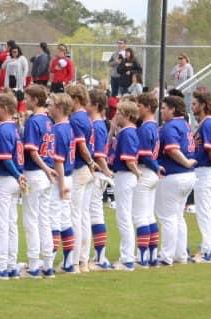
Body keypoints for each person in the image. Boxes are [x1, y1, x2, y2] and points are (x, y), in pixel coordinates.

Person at [155, 95, 197, 266]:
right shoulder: (185, 125)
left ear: (173, 109)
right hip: (188, 175)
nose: (162, 110)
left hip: (175, 174)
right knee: (178, 216)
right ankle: (180, 254)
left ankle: (166, 256)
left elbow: (172, 149)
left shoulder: (170, 126)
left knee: (167, 217)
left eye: (164, 108)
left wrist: (186, 162)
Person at [0, 93, 27, 279]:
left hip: (6, 178)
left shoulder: (4, 129)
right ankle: (11, 265)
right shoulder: (15, 128)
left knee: (1, 225)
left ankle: (1, 266)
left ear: (5, 108)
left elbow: (4, 158)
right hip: (14, 180)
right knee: (11, 224)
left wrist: (17, 174)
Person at [21, 84, 57, 278]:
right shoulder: (49, 121)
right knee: (44, 219)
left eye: (28, 98)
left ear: (35, 100)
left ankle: (34, 264)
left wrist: (45, 168)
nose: (25, 101)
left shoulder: (34, 121)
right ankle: (48, 264)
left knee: (31, 219)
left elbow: (33, 151)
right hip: (46, 174)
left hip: (36, 172)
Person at [65, 84, 95, 273]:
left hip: (79, 168)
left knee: (76, 215)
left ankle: (74, 261)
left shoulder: (76, 118)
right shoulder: (86, 117)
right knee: (84, 216)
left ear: (75, 99)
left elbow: (82, 147)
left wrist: (90, 161)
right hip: (87, 170)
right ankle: (83, 259)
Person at [108, 101, 141, 271]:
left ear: (128, 115)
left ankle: (127, 258)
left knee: (124, 217)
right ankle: (128, 255)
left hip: (126, 176)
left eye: (120, 113)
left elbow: (129, 160)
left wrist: (137, 173)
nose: (116, 115)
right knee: (125, 216)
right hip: (125, 176)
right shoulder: (126, 131)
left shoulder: (128, 132)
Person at [131, 93, 161, 268]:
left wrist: (156, 168)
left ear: (148, 107)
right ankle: (152, 256)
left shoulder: (144, 128)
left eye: (140, 105)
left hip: (145, 171)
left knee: (140, 216)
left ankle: (143, 258)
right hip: (152, 174)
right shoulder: (154, 126)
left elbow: (145, 155)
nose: (137, 109)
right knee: (149, 216)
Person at [47, 93, 77, 274]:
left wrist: (60, 185)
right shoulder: (69, 127)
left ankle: (48, 262)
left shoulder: (58, 129)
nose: (48, 107)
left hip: (61, 176)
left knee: (53, 219)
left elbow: (58, 160)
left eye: (51, 105)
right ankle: (68, 261)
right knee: (65, 219)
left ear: (59, 108)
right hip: (68, 175)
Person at [190, 91, 211, 263]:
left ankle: (207, 249)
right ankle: (206, 245)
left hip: (206, 170)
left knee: (204, 210)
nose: (192, 107)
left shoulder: (208, 123)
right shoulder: (204, 123)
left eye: (195, 104)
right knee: (203, 209)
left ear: (203, 105)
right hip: (201, 170)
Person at [86, 88, 114, 270]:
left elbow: (99, 155)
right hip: (98, 172)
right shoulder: (98, 124)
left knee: (93, 213)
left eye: (88, 102)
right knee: (93, 213)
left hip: (96, 174)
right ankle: (98, 255)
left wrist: (105, 171)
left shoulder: (96, 125)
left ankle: (100, 256)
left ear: (95, 105)